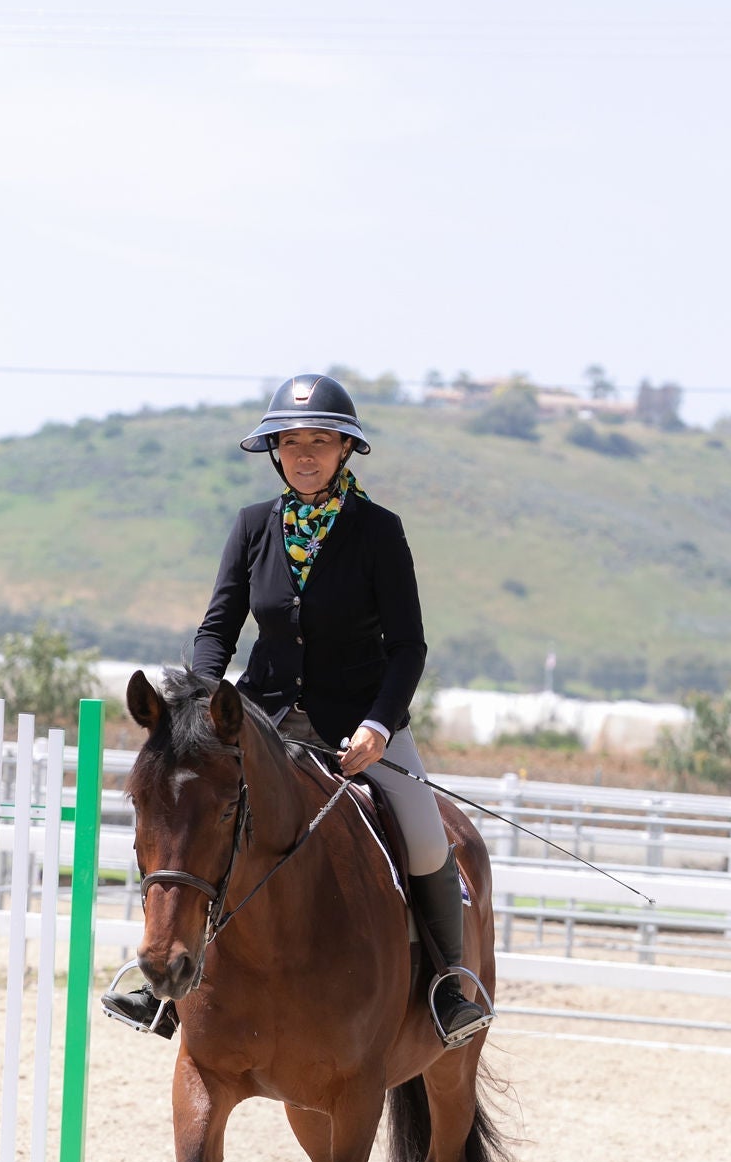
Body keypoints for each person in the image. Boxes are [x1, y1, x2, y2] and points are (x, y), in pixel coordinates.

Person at [104, 372, 490, 1048]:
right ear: (274, 450)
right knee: (192, 823)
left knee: (428, 839)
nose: (305, 454)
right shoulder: (253, 527)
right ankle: (162, 985)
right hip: (261, 719)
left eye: (320, 441)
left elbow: (407, 647)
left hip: (362, 725)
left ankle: (448, 985)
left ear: (345, 449)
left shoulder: (379, 532)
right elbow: (218, 628)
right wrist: (199, 707)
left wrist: (377, 724)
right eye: (291, 442)